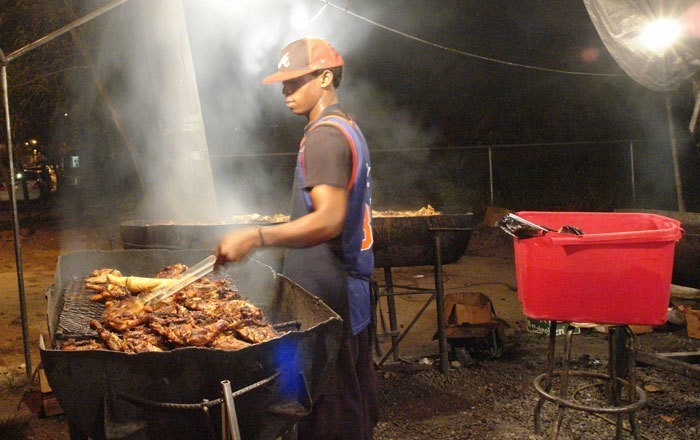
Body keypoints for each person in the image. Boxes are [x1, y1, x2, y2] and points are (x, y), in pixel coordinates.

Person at [216, 38, 378, 439]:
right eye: (283, 84)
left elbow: (328, 220)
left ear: (325, 77)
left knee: (330, 414)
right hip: (346, 290)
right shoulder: (347, 126)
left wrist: (256, 237)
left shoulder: (324, 136)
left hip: (328, 299)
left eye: (295, 82)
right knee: (350, 405)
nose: (286, 92)